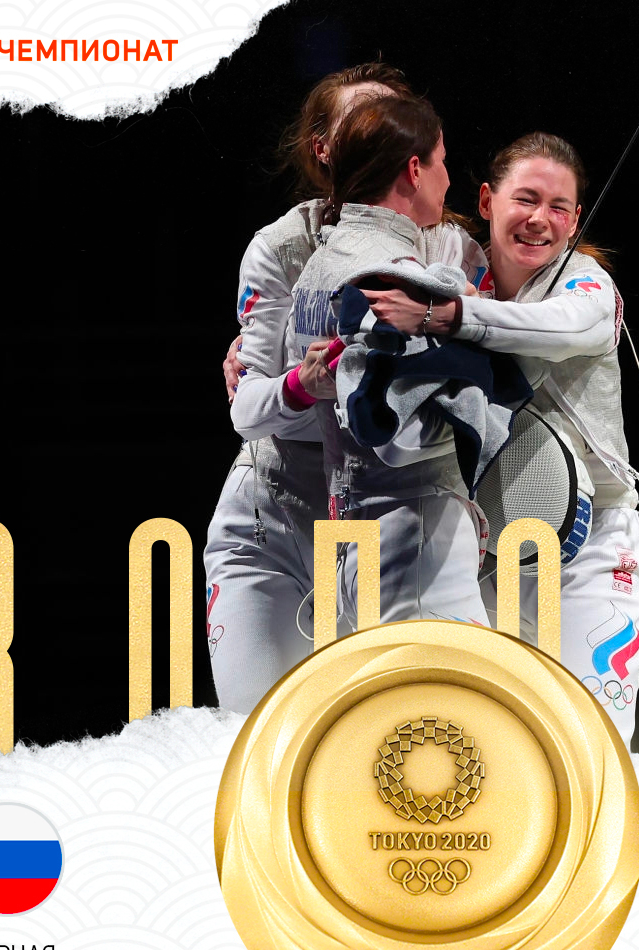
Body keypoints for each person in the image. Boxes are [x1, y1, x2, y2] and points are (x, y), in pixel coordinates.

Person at [204, 66, 489, 714]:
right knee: (263, 738)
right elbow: (254, 410)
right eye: (364, 123)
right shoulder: (280, 247)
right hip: (276, 522)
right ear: (325, 147)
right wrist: (300, 385)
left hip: (381, 527)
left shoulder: (449, 246)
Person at [357, 133, 639, 748]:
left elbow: (556, 328)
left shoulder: (586, 287)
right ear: (488, 201)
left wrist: (448, 318)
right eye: (526, 199)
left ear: (575, 220)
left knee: (589, 746)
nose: (540, 218)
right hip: (488, 552)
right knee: (489, 749)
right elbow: (363, 302)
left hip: (594, 551)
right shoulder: (454, 269)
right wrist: (265, 357)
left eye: (559, 206)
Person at [288, 94, 493, 629]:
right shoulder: (396, 276)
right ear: (414, 170)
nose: (448, 178)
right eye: (442, 161)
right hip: (416, 536)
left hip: (352, 539)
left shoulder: (317, 266)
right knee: (450, 688)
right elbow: (399, 433)